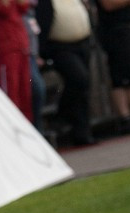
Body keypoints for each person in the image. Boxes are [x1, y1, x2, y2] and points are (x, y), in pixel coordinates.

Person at [35, 0, 95, 147]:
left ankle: (82, 132)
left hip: (82, 42)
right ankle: (62, 115)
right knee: (79, 79)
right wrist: (40, 51)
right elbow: (43, 22)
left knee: (84, 87)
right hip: (60, 46)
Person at [93, 0, 130, 135]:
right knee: (120, 75)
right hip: (113, 29)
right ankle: (125, 117)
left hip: (128, 26)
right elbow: (109, 4)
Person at [0, 0, 33, 123]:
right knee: (11, 91)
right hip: (6, 48)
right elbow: (4, 9)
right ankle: (13, 127)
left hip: (20, 45)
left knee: (25, 92)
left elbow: (23, 7)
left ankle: (27, 127)